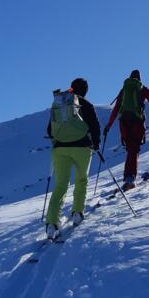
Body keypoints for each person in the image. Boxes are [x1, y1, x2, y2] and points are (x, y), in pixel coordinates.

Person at [45, 77, 101, 239]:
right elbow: (95, 127)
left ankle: (51, 223)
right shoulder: (87, 104)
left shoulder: (60, 104)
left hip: (60, 149)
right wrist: (96, 144)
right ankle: (77, 212)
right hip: (82, 147)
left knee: (61, 185)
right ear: (85, 91)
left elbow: (50, 130)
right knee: (81, 179)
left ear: (71, 88)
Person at [103, 70, 149, 191]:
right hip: (137, 123)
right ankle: (130, 179)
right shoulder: (143, 89)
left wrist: (109, 125)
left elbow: (116, 109)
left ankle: (128, 178)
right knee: (134, 149)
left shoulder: (124, 90)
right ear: (139, 79)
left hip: (124, 123)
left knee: (130, 149)